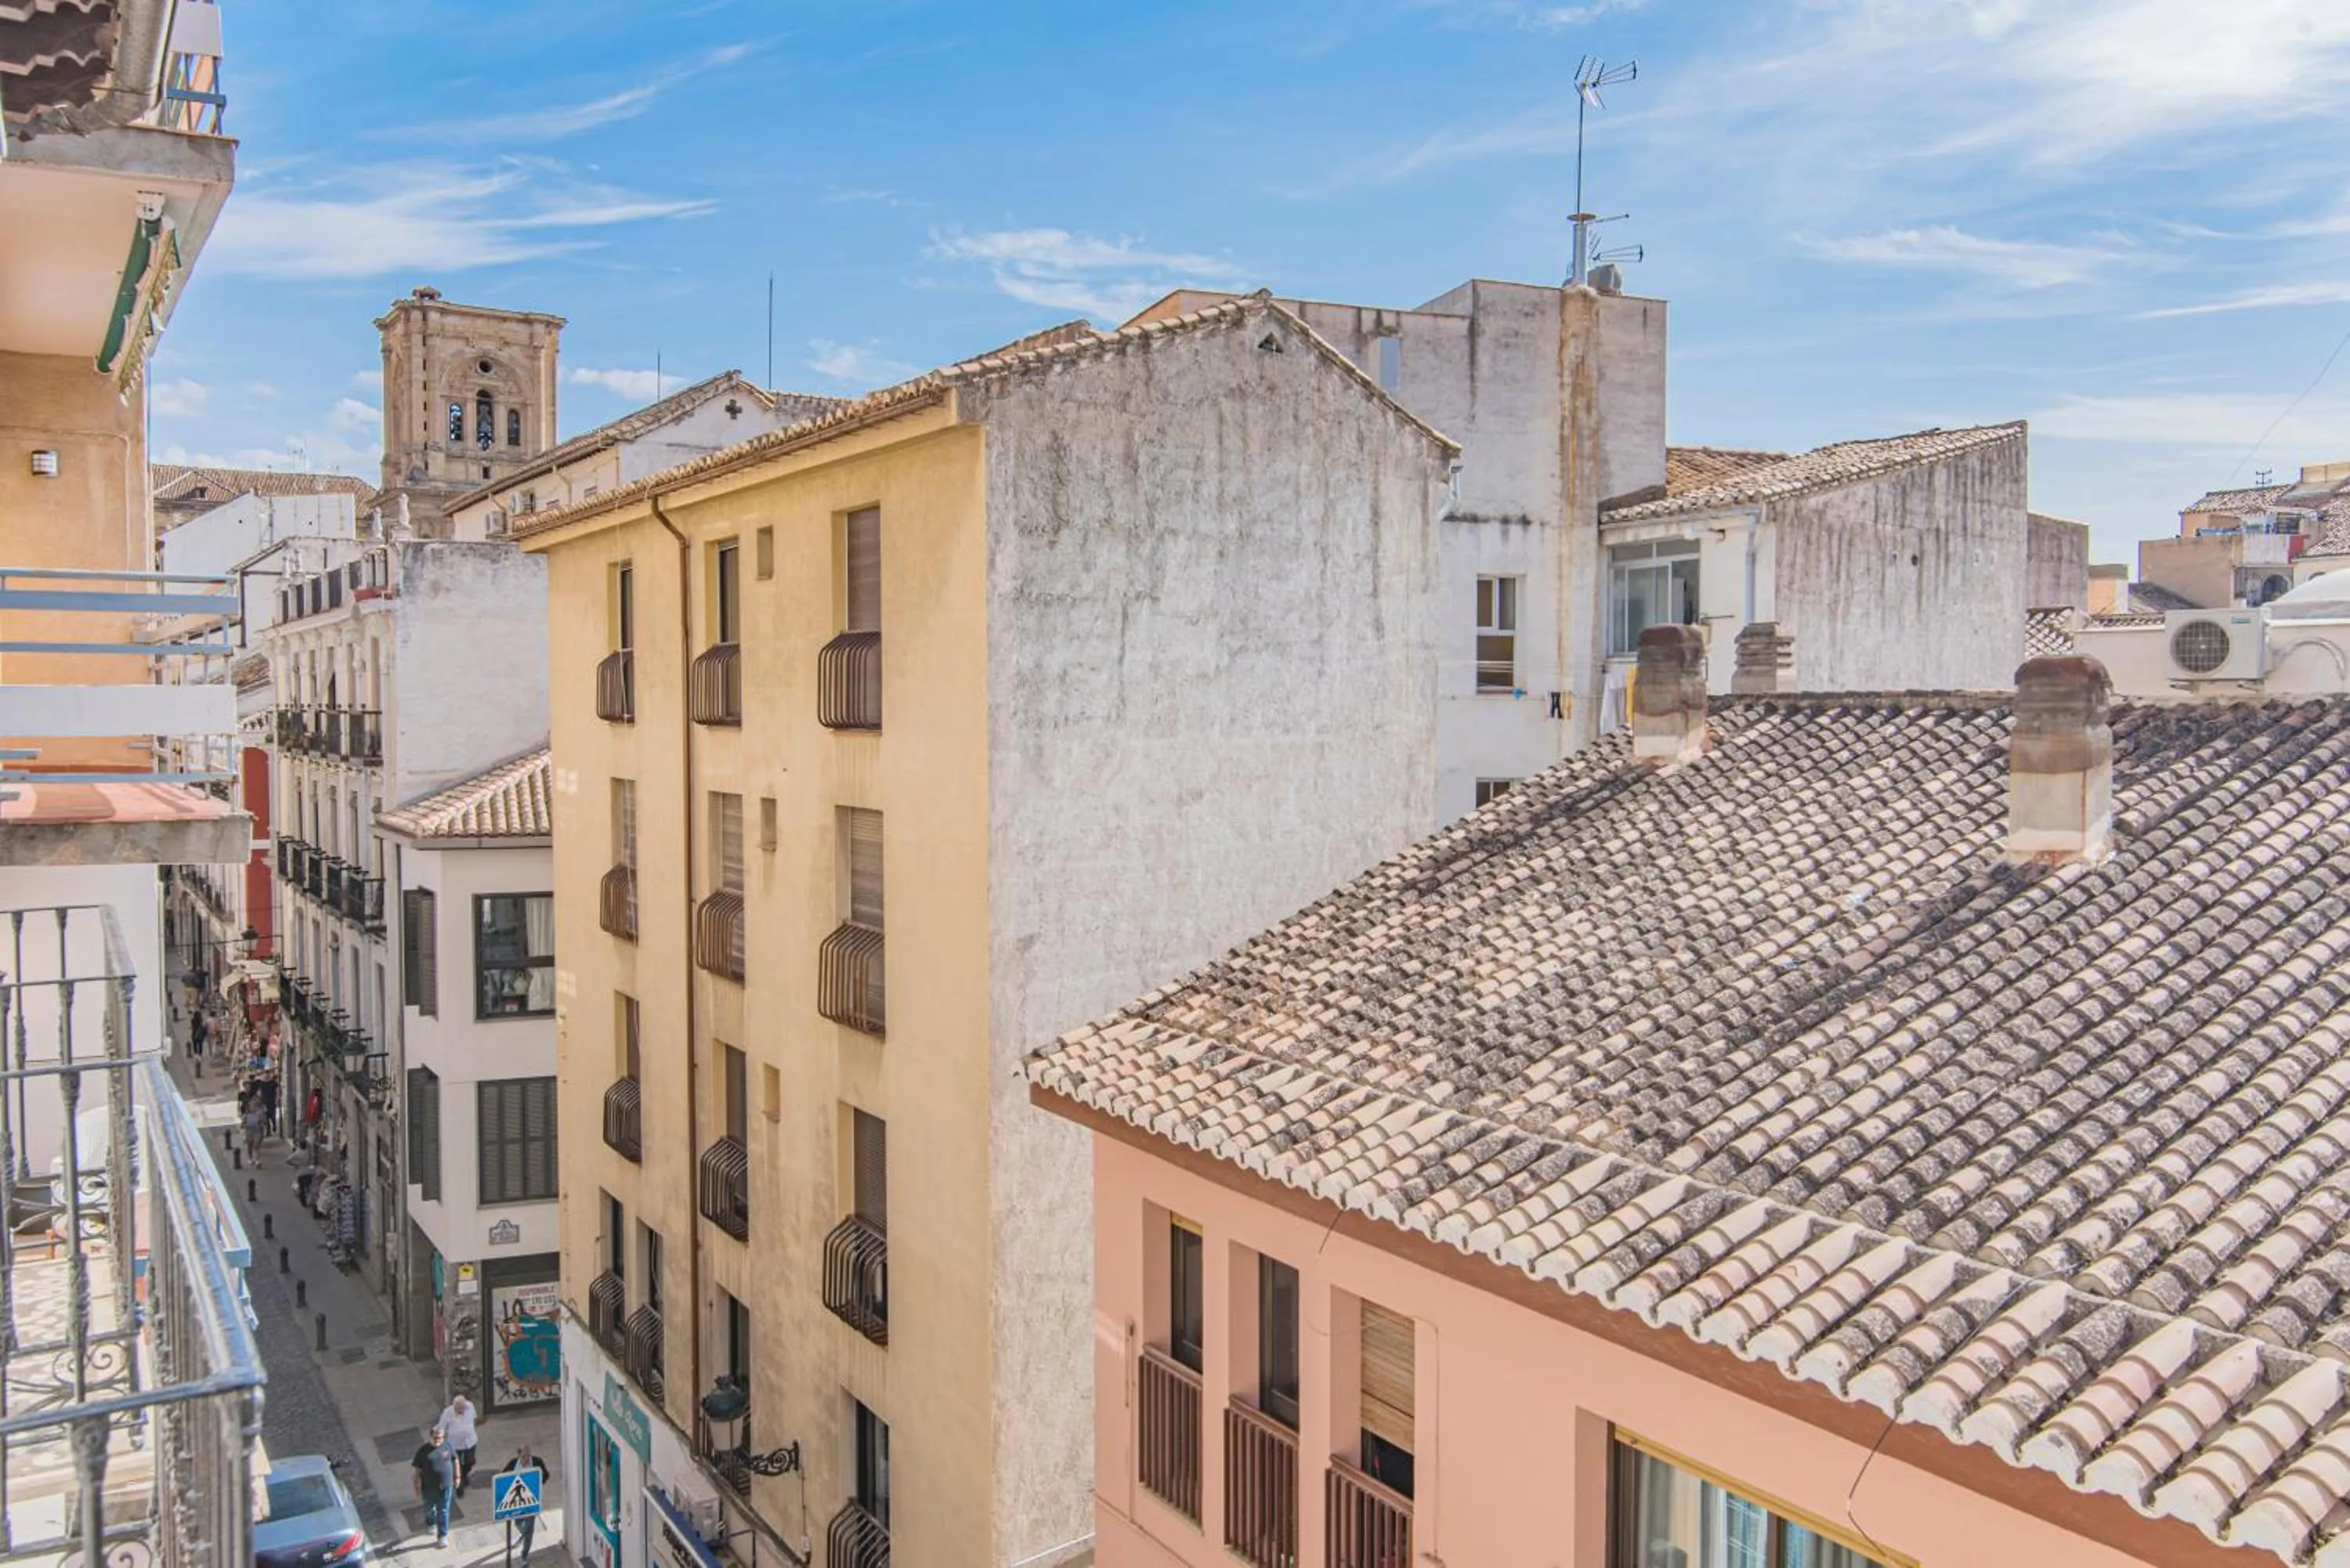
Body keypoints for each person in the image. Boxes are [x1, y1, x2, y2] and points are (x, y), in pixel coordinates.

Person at [493, 1441, 542, 1561]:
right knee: (518, 1523)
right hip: (516, 1501)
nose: (527, 1459)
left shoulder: (537, 1463)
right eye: (524, 1456)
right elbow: (503, 1477)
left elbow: (544, 1475)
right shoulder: (513, 1464)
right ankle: (523, 1536)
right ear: (518, 1455)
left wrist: (538, 1485)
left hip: (531, 1501)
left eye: (528, 1456)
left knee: (530, 1529)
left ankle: (524, 1556)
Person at [411, 1425, 457, 1547]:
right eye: (436, 1438)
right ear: (430, 1436)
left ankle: (442, 1536)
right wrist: (417, 1487)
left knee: (444, 1510)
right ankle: (431, 1522)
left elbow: (455, 1459)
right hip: (428, 1488)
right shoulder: (423, 1451)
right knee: (430, 1509)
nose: (438, 1440)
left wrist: (457, 1477)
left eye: (441, 1438)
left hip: (445, 1487)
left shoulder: (448, 1446)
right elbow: (417, 1472)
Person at [439, 1393, 480, 1495]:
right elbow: (442, 1427)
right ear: (455, 1407)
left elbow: (473, 1420)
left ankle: (464, 1476)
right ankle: (459, 1486)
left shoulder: (470, 1406)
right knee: (457, 1466)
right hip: (455, 1445)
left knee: (470, 1461)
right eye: (460, 1408)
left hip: (470, 1442)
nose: (462, 1410)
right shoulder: (448, 1413)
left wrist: (470, 1431)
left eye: (463, 1407)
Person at [240, 1093, 265, 1164]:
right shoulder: (246, 1116)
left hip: (257, 1131)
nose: (253, 1107)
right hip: (249, 1132)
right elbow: (242, 1126)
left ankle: (257, 1160)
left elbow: (263, 1122)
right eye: (252, 1106)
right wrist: (246, 1125)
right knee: (250, 1146)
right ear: (249, 1107)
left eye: (254, 1106)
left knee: (256, 1146)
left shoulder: (259, 1114)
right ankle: (250, 1158)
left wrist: (260, 1123)